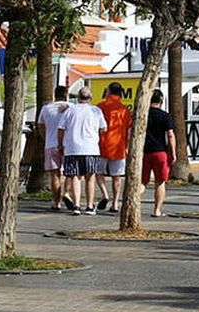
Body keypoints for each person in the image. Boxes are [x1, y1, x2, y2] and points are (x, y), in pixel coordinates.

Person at [58, 87, 109, 216]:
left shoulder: (70, 110)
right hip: (91, 148)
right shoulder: (96, 111)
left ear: (78, 97)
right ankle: (90, 206)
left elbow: (61, 128)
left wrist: (60, 145)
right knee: (90, 178)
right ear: (90, 98)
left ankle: (76, 205)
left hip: (72, 148)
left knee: (75, 176)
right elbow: (104, 128)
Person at [97, 83, 133, 212]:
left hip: (102, 145)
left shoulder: (101, 106)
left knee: (98, 173)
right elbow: (129, 130)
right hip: (119, 146)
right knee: (116, 177)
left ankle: (104, 194)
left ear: (109, 92)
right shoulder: (124, 109)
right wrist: (127, 146)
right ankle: (115, 203)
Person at [142, 89, 177, 218]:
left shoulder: (143, 114)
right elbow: (170, 135)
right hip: (160, 152)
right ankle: (157, 210)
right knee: (160, 181)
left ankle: (133, 199)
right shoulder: (165, 116)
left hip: (145, 152)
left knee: (142, 182)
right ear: (161, 101)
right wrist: (173, 153)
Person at [36, 87, 72, 211]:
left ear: (54, 95)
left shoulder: (46, 108)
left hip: (50, 144)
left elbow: (40, 125)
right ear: (66, 95)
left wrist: (46, 137)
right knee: (70, 172)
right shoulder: (71, 107)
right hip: (68, 145)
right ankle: (67, 193)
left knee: (54, 175)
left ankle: (56, 202)